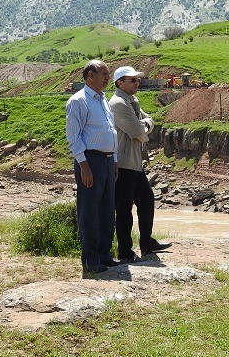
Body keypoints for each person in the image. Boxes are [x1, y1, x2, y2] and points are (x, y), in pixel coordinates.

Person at [109, 66, 171, 263]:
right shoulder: (118, 103)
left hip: (134, 162)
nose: (137, 83)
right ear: (120, 82)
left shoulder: (132, 100)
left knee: (146, 200)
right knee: (124, 208)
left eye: (137, 80)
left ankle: (146, 243)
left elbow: (147, 122)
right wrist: (145, 125)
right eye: (132, 80)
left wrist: (144, 125)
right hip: (124, 162)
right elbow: (139, 131)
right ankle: (125, 251)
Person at [65, 60, 121, 277]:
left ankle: (104, 254)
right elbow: (73, 137)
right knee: (89, 212)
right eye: (104, 74)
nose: (108, 78)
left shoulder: (103, 99)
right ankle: (90, 260)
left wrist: (114, 160)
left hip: (106, 161)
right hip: (90, 161)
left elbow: (110, 131)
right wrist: (84, 166)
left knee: (107, 210)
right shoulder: (78, 101)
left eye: (108, 73)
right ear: (90, 76)